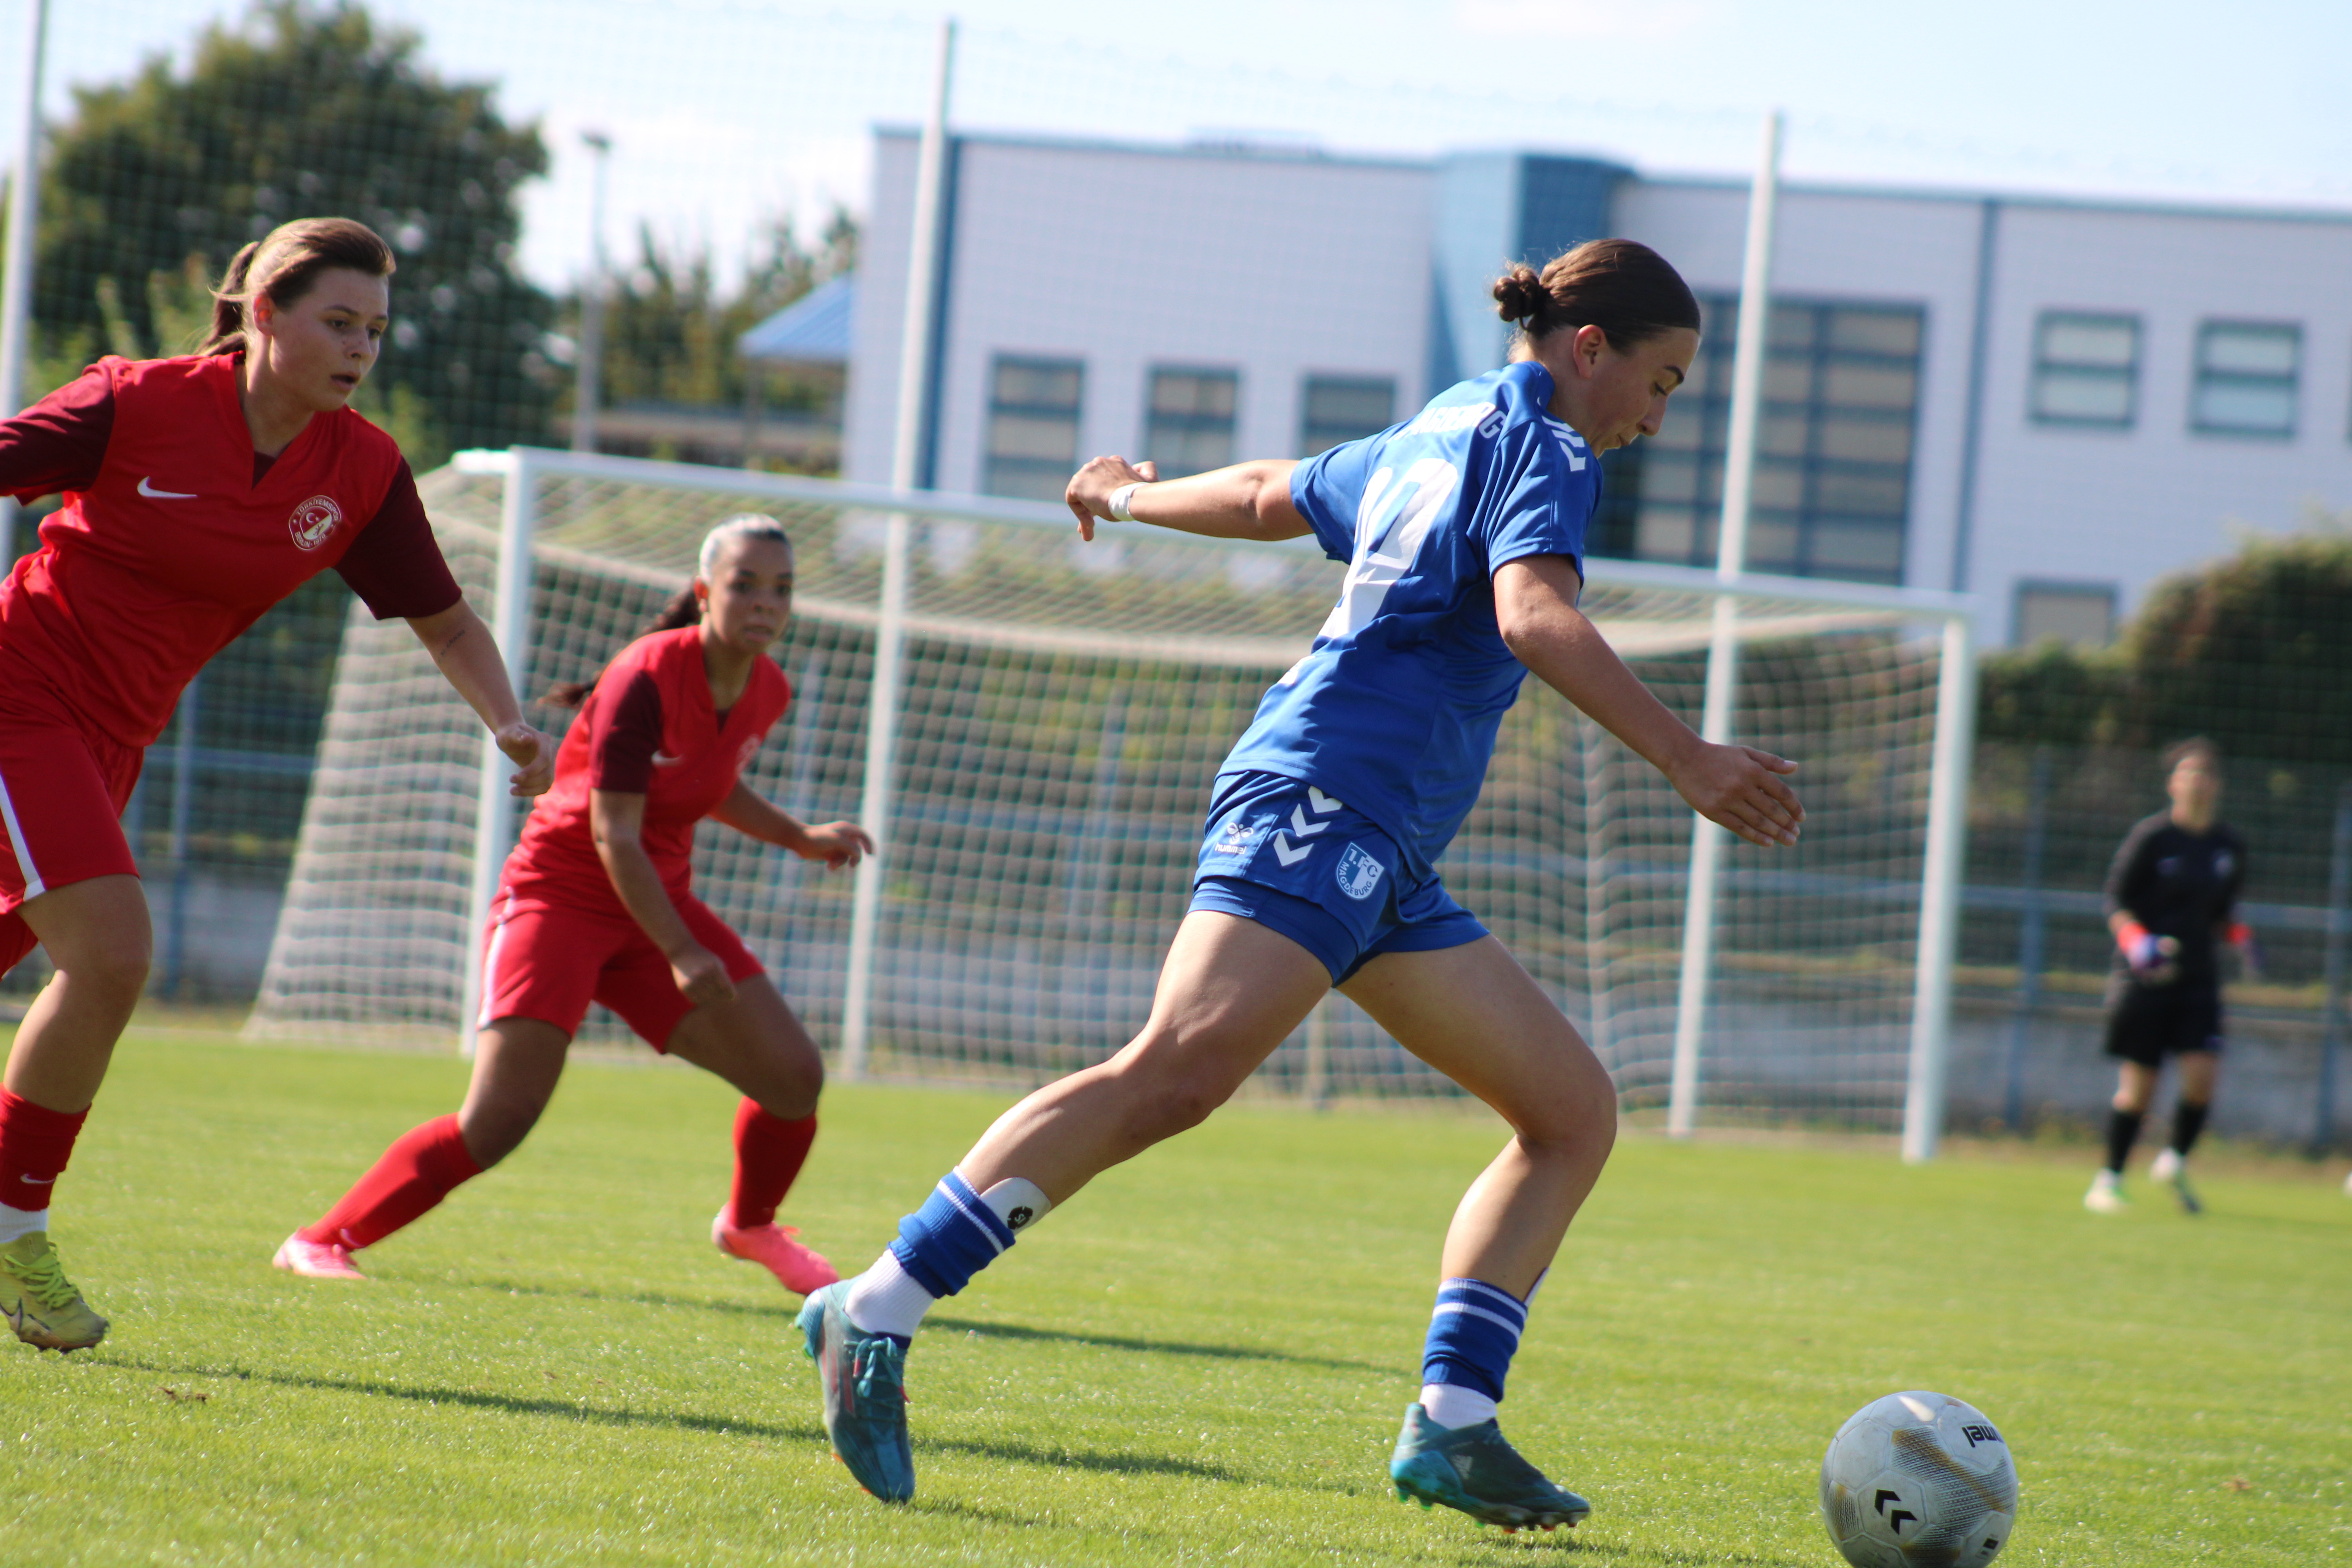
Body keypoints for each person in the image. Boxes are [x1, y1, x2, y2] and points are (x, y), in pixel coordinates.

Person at [797, 239, 1805, 1527]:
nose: (1658, 418)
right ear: (1587, 346)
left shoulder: (1448, 423)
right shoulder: (1541, 446)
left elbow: (1276, 491)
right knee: (1175, 1071)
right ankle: (872, 1308)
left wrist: (1122, 496)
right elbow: (1533, 618)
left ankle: (1454, 1423)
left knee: (1570, 1114)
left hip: (1382, 852)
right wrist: (1688, 757)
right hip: (1324, 800)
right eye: (1658, 382)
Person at [0, 218, 554, 1353]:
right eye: (339, 321)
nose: (362, 348)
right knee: (111, 956)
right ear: (266, 315)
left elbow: (445, 622)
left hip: (113, 741)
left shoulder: (360, 470)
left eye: (378, 331)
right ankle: (15, 1233)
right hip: (21, 693)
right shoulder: (137, 401)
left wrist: (509, 721)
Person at [276, 515, 872, 1291]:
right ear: (702, 593)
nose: (766, 602)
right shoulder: (645, 675)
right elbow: (613, 834)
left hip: (654, 904)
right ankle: (322, 1238)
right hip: (559, 897)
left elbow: (709, 777)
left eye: (782, 588)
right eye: (745, 584)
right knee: (499, 1118)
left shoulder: (768, 688)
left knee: (793, 1077)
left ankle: (749, 1225)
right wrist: (685, 951)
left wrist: (798, 837)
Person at [2085, 738, 2253, 1216]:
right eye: (2188, 774)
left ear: (2216, 785)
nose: (2197, 783)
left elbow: (2223, 912)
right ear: (2173, 783)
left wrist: (2240, 934)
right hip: (2146, 979)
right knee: (2140, 1087)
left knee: (2202, 1077)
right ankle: (2109, 1178)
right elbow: (2116, 902)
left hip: (2199, 978)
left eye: (2206, 775)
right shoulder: (2152, 839)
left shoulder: (2229, 846)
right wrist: (2138, 942)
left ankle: (2175, 1159)